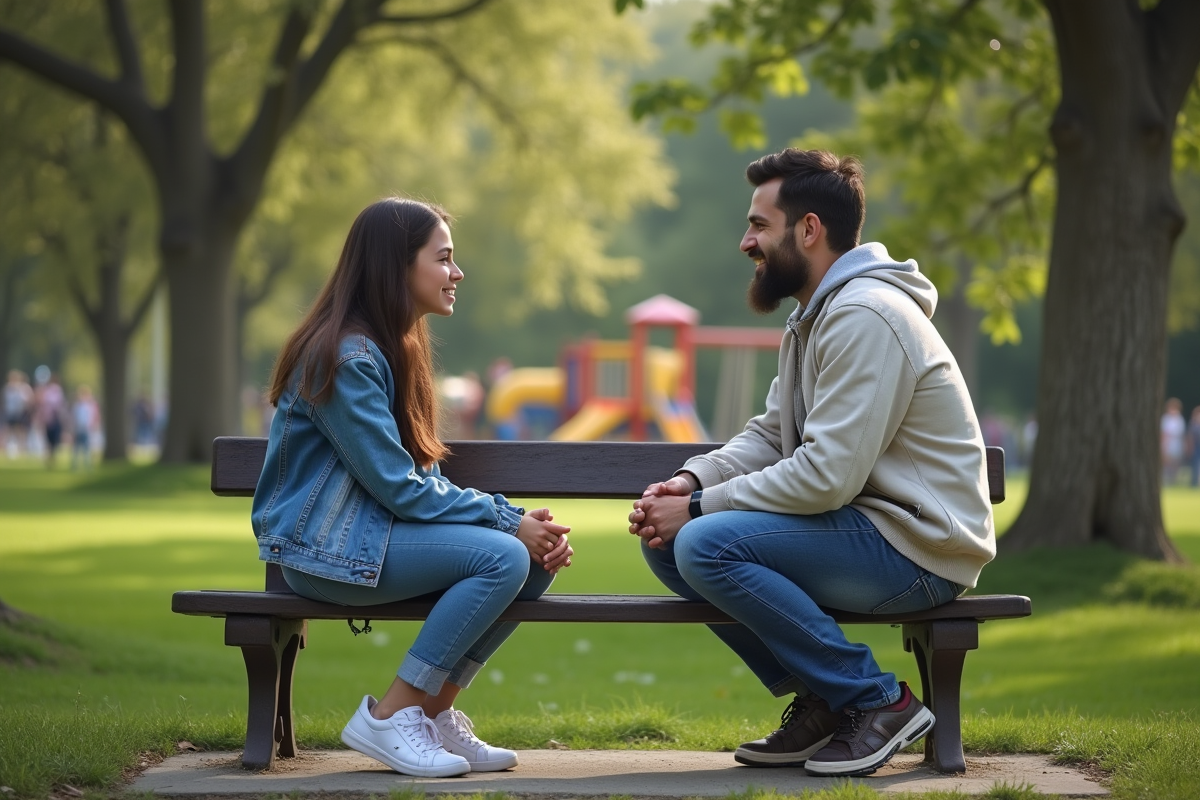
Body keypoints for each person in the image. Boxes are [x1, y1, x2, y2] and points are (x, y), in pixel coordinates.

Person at [628, 149, 995, 778]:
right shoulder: (817, 316)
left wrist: (694, 509)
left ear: (809, 229)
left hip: (919, 548)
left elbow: (827, 476)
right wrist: (692, 480)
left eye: (758, 226)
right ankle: (826, 700)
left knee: (703, 543)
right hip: (871, 528)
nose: (746, 241)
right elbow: (773, 435)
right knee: (670, 544)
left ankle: (876, 700)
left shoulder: (866, 316)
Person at [253, 197, 574, 779]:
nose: (457, 273)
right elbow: (400, 488)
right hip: (325, 552)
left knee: (532, 559)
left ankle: (431, 712)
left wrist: (523, 523)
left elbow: (416, 477)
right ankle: (389, 715)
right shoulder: (344, 356)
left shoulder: (391, 347)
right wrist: (506, 522)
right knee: (505, 554)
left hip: (371, 538)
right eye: (444, 258)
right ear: (396, 267)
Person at [4, 369, 34, 458]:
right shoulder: (8, 388)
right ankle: (11, 448)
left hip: (19, 412)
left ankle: (21, 448)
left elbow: (26, 400)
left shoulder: (21, 388)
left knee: (20, 430)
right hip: (10, 412)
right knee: (10, 430)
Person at [70, 385, 100, 469]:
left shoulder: (89, 406)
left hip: (86, 430)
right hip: (78, 430)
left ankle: (87, 465)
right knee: (76, 449)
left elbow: (92, 418)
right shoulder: (77, 406)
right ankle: (75, 465)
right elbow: (74, 419)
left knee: (86, 449)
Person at [1161, 397, 1186, 486]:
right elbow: (1164, 433)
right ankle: (1165, 481)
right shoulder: (1165, 419)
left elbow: (1182, 434)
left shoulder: (1180, 419)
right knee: (1166, 464)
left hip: (1177, 444)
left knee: (1175, 464)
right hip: (1167, 444)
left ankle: (1173, 481)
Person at [1187, 405, 1200, 489]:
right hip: (1196, 446)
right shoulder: (1193, 424)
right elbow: (1190, 436)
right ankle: (1194, 482)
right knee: (1195, 465)